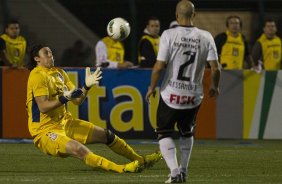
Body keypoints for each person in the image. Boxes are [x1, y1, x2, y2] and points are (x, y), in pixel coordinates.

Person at [26, 44, 162, 173]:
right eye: (46, 54)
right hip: (44, 130)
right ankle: (122, 169)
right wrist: (64, 98)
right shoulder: (37, 75)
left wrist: (86, 86)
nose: (51, 56)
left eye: (51, 53)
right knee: (79, 150)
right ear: (36, 58)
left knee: (106, 135)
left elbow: (78, 100)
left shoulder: (59, 73)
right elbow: (43, 107)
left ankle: (140, 161)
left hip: (65, 123)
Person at [145, 0, 221, 183]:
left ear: (176, 15)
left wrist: (152, 87)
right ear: (194, 15)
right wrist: (214, 86)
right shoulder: (206, 36)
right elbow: (216, 68)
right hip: (193, 97)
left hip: (171, 94)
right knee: (187, 133)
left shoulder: (169, 35)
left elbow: (159, 66)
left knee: (164, 132)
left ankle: (174, 172)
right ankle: (184, 171)